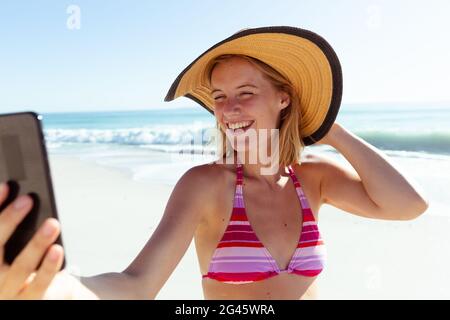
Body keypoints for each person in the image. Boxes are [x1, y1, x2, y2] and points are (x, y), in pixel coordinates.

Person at [0, 26, 428, 300]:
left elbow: (408, 205)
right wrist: (58, 287)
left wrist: (326, 125)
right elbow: (136, 285)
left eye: (246, 92)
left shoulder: (313, 178)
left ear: (284, 98)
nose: (230, 109)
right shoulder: (206, 185)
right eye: (220, 98)